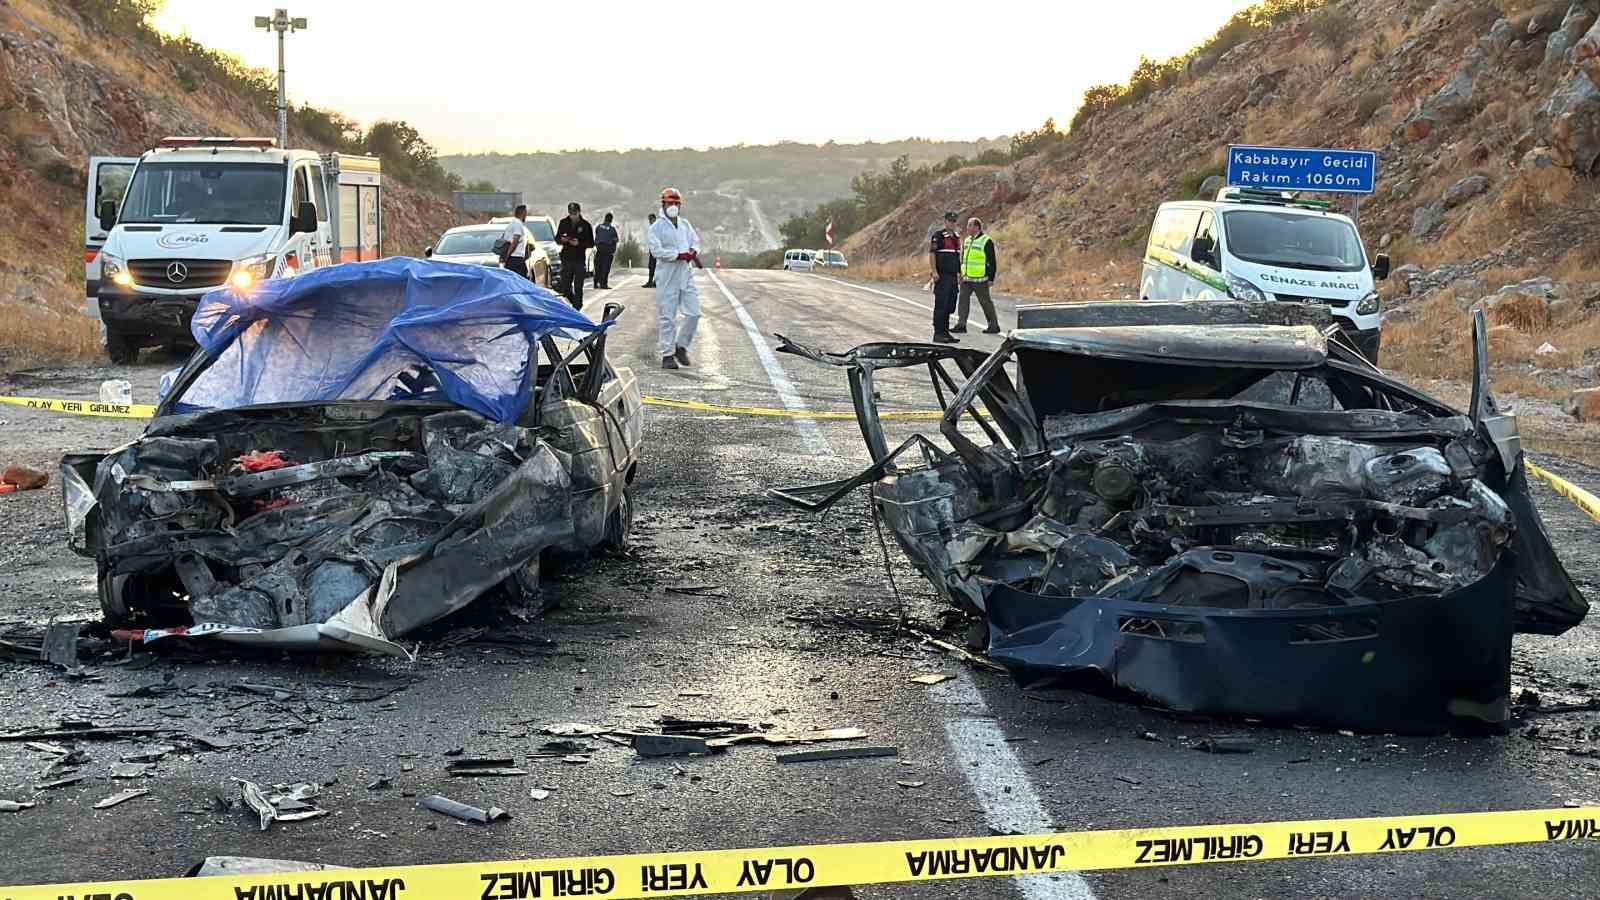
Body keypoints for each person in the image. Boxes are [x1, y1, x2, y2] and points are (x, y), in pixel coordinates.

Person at [647, 187, 701, 370]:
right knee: (667, 317)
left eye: (676, 203)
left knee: (694, 313)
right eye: (670, 203)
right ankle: (667, 355)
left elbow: (695, 242)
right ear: (663, 204)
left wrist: (693, 252)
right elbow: (656, 251)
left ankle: (681, 346)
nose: (673, 206)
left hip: (685, 274)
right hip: (667, 276)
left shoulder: (685, 225)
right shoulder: (656, 228)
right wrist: (677, 255)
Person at [954, 217, 1000, 334]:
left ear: (977, 227)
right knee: (963, 300)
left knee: (985, 302)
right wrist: (960, 273)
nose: (967, 227)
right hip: (966, 278)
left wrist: (991, 278)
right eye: (968, 225)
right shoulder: (967, 240)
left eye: (970, 225)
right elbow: (963, 258)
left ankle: (993, 325)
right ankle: (961, 324)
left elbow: (992, 261)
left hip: (980, 279)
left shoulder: (986, 241)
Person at [928, 210, 962, 343]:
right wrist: (934, 271)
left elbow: (956, 257)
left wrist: (959, 273)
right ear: (945, 221)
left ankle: (945, 332)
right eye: (950, 221)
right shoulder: (939, 236)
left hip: (953, 276)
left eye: (954, 221)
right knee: (941, 305)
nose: (952, 223)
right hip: (942, 276)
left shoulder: (956, 237)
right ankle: (938, 333)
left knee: (950, 305)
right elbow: (932, 254)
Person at [555, 201, 594, 309]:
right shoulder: (564, 223)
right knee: (566, 287)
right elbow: (557, 238)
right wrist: (563, 240)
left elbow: (591, 243)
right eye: (571, 213)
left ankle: (577, 307)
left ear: (578, 212)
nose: (572, 215)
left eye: (574, 213)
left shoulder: (585, 225)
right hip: (566, 258)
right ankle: (574, 302)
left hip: (579, 259)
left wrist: (579, 243)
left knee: (578, 286)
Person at [499, 204, 531, 281]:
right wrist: (507, 255)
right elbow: (515, 241)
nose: (526, 215)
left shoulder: (513, 223)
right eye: (526, 213)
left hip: (516, 258)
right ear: (523, 213)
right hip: (515, 258)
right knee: (518, 281)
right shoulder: (517, 224)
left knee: (520, 279)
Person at [593, 213, 619, 289]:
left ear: (605, 218)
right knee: (605, 267)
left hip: (599, 249)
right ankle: (603, 284)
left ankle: (596, 283)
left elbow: (597, 235)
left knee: (598, 267)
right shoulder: (612, 229)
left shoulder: (598, 227)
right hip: (608, 250)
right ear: (611, 220)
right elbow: (616, 239)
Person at [643, 212, 658, 287]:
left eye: (650, 219)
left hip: (657, 251)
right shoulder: (653, 227)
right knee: (652, 266)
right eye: (649, 220)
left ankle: (653, 282)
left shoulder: (657, 227)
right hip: (653, 250)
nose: (649, 221)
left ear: (654, 219)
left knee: (654, 266)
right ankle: (652, 282)